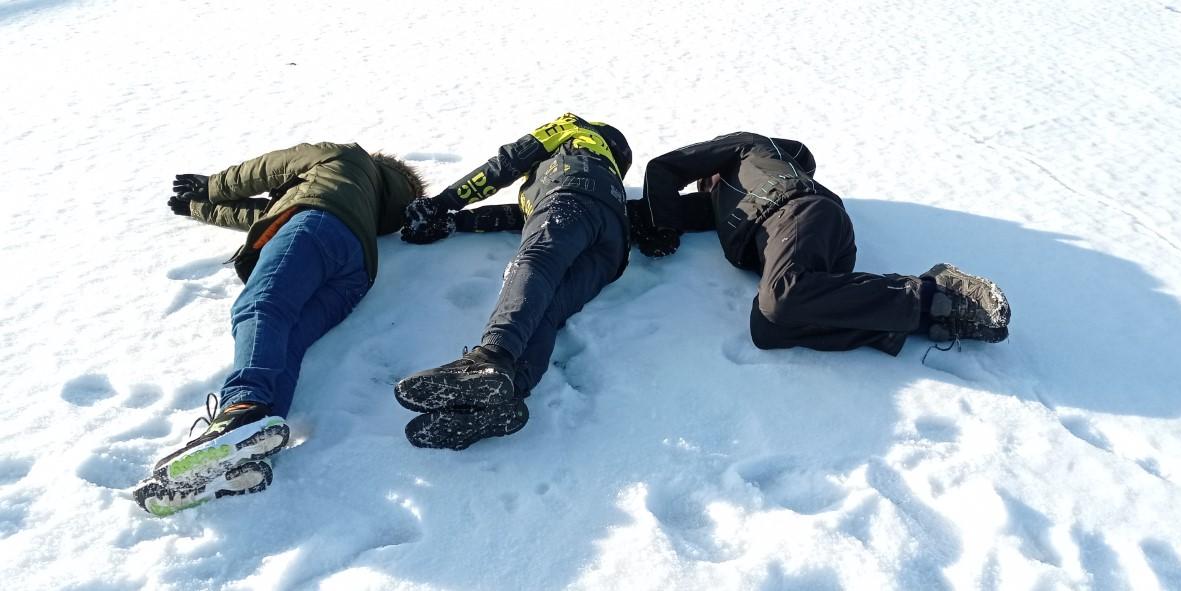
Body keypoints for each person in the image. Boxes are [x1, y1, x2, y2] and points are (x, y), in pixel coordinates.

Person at [134, 142, 424, 515]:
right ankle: (251, 449)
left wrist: (211, 186)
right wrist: (200, 208)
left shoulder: (347, 157)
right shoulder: (375, 209)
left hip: (317, 226)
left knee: (260, 306)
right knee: (289, 339)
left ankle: (239, 410)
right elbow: (270, 212)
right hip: (356, 274)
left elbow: (269, 169)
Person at [627, 131, 1010, 357]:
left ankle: (933, 291)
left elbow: (664, 167)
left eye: (705, 180)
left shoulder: (749, 148)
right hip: (803, 256)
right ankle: (922, 318)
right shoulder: (722, 207)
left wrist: (664, 227)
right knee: (768, 328)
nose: (706, 186)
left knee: (783, 296)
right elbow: (660, 210)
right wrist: (640, 221)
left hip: (798, 213)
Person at [394, 113, 632, 450]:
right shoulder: (609, 179)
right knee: (547, 308)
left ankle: (491, 357)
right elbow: (519, 215)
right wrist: (454, 223)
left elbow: (506, 164)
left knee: (535, 262)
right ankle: (509, 393)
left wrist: (441, 204)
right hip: (614, 246)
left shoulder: (576, 130)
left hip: (570, 196)